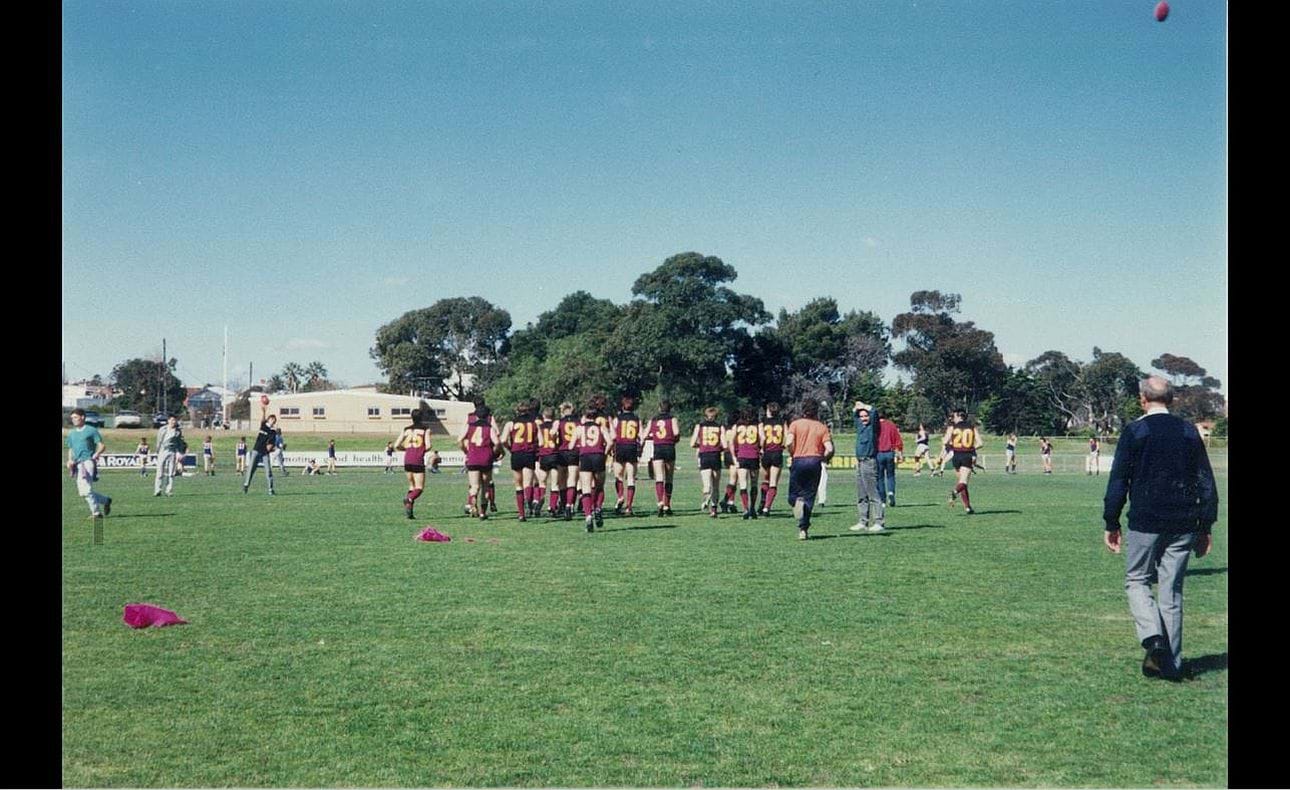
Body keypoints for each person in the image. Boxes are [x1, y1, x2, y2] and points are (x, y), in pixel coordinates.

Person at [1102, 376, 1218, 681]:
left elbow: (1118, 482)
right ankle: (1172, 665)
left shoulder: (1135, 431)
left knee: (1137, 580)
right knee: (1172, 593)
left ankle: (1153, 638)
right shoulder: (1187, 431)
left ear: (1142, 399)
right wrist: (1206, 525)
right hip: (1183, 523)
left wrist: (1111, 522)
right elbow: (1205, 480)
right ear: (1173, 400)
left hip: (1145, 521)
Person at [785, 399, 834, 540]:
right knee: (809, 496)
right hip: (814, 461)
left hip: (799, 460)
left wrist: (792, 452)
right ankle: (803, 529)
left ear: (803, 410)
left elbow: (788, 442)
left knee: (793, 496)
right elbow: (829, 448)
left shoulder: (795, 424)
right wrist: (823, 457)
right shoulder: (822, 427)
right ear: (816, 411)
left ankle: (797, 504)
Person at [66, 407, 112, 519]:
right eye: (72, 418)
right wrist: (69, 460)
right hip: (77, 464)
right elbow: (71, 449)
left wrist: (96, 454)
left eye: (76, 417)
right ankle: (106, 500)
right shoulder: (71, 433)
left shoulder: (91, 430)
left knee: (86, 489)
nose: (74, 420)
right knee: (83, 492)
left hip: (87, 462)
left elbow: (102, 445)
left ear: (82, 417)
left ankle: (96, 513)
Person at [459, 402, 501, 519]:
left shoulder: (470, 425)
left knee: (474, 486)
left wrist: (465, 450)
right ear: (487, 416)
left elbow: (459, 439)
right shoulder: (489, 427)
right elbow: (497, 442)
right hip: (486, 458)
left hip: (473, 458)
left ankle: (472, 502)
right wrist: (495, 452)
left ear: (476, 415)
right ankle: (483, 512)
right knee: (485, 486)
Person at [574, 400, 611, 532]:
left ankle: (588, 516)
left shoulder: (580, 428)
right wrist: (605, 453)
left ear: (585, 416)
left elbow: (572, 445)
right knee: (599, 486)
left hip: (585, 457)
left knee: (586, 488)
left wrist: (580, 446)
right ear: (596, 417)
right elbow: (610, 442)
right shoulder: (601, 427)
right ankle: (598, 508)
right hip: (599, 456)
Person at [501, 400, 540, 521]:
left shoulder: (510, 423)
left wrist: (510, 448)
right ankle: (529, 503)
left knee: (518, 485)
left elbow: (503, 440)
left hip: (516, 453)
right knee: (528, 483)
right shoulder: (535, 423)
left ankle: (521, 514)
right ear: (528, 410)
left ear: (517, 411)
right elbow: (542, 441)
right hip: (529, 453)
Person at [849, 401, 885, 533]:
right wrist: (857, 408)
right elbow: (854, 414)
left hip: (869, 462)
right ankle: (863, 521)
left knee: (873, 493)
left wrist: (864, 406)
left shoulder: (873, 427)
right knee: (861, 494)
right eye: (861, 416)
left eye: (866, 416)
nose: (863, 418)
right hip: (859, 462)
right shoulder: (860, 427)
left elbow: (874, 412)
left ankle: (879, 521)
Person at [644, 399, 681, 516]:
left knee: (659, 476)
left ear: (659, 408)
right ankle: (667, 505)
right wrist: (674, 440)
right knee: (669, 478)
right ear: (670, 408)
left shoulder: (653, 419)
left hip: (658, 448)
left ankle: (660, 501)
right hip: (669, 447)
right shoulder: (672, 419)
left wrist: (652, 436)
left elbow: (644, 435)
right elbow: (676, 433)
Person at [395, 407, 432, 519]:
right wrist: (421, 451)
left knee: (412, 486)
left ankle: (410, 512)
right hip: (417, 459)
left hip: (407, 459)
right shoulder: (426, 429)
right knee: (419, 488)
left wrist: (406, 449)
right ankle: (409, 499)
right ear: (422, 417)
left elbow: (396, 445)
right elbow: (429, 445)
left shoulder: (406, 429)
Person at [609, 395, 643, 516]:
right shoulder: (636, 419)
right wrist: (641, 449)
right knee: (631, 479)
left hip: (620, 447)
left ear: (622, 406)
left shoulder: (617, 418)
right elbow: (642, 436)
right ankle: (628, 507)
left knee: (618, 476)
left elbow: (612, 434)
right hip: (632, 447)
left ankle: (620, 497)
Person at [944, 409, 983, 514]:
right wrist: (971, 448)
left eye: (954, 416)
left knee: (961, 482)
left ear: (959, 416)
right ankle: (954, 492)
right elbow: (980, 443)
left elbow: (945, 441)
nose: (953, 418)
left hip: (956, 456)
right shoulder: (972, 427)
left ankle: (967, 507)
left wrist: (954, 446)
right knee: (963, 482)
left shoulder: (952, 427)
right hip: (967, 455)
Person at [728, 406, 763, 519]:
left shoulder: (737, 426)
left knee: (743, 483)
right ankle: (752, 507)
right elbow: (763, 438)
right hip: (754, 456)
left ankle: (745, 508)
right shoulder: (758, 425)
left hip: (742, 456)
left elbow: (731, 442)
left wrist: (734, 456)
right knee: (754, 483)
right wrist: (761, 448)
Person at [690, 406, 726, 518]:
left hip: (704, 456)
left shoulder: (699, 426)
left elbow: (692, 443)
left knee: (707, 486)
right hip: (715, 456)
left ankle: (706, 499)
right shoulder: (720, 427)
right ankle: (714, 509)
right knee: (716, 485)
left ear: (705, 416)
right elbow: (724, 445)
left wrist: (701, 445)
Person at [758, 402, 787, 515]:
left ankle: (762, 501)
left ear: (768, 410)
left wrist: (761, 449)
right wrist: (783, 446)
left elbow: (763, 438)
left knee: (765, 480)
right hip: (777, 453)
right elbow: (787, 436)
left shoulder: (762, 423)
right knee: (773, 483)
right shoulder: (782, 422)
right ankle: (767, 508)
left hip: (766, 453)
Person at [242, 404, 277, 495]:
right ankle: (246, 485)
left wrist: (271, 447)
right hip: (256, 450)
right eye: (271, 419)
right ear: (269, 419)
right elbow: (262, 420)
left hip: (265, 453)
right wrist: (264, 411)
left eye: (274, 420)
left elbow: (272, 444)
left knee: (268, 471)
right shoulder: (264, 426)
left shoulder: (273, 432)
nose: (273, 420)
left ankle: (270, 489)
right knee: (251, 469)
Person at [537, 406, 563, 517]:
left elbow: (539, 442)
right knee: (555, 484)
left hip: (543, 455)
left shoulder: (540, 427)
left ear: (543, 416)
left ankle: (540, 497)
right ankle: (552, 506)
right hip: (554, 455)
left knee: (542, 482)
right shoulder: (555, 426)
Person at [556, 401, 581, 520]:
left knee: (561, 480)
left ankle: (563, 503)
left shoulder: (560, 422)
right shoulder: (578, 422)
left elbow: (552, 434)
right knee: (572, 479)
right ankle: (569, 505)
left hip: (562, 451)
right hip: (574, 451)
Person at [876, 415, 904, 508]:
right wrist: (900, 453)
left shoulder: (874, 424)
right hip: (889, 453)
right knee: (890, 475)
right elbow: (898, 440)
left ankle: (882, 500)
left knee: (879, 477)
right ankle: (891, 492)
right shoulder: (891, 425)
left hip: (878, 453)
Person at [154, 415, 185, 497]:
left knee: (171, 472)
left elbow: (179, 443)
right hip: (163, 450)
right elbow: (159, 440)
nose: (173, 422)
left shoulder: (178, 431)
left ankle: (169, 490)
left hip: (172, 451)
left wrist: (180, 452)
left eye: (175, 420)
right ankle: (158, 490)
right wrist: (157, 450)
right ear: (168, 421)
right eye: (172, 420)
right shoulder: (163, 429)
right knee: (160, 471)